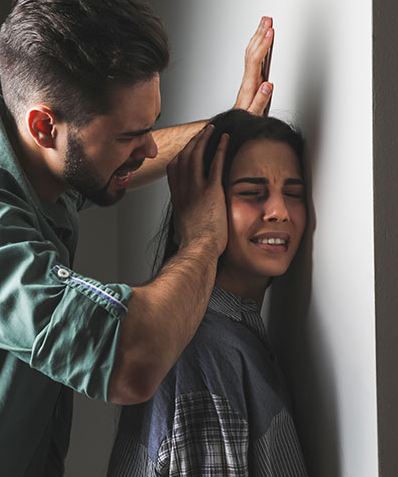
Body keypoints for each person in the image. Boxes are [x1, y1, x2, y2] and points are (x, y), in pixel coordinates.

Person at [0, 0, 275, 476]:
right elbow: (132, 360)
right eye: (130, 134)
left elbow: (108, 166)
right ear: (44, 127)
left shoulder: (32, 159)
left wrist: (226, 131)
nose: (146, 149)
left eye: (150, 125)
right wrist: (204, 237)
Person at [108, 109, 309, 476]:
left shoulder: (231, 336)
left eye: (293, 193)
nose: (279, 211)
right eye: (252, 193)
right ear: (200, 204)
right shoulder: (207, 351)